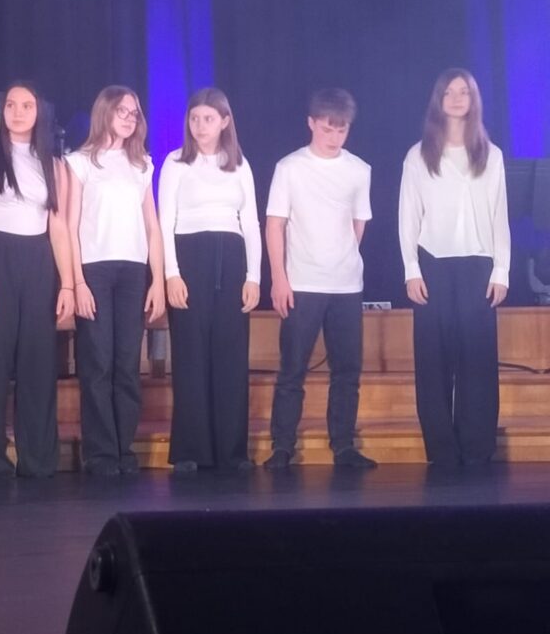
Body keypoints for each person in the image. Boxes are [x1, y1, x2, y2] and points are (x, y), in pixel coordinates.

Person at [398, 68, 510, 466]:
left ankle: (477, 447)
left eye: (464, 91)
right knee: (434, 361)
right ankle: (442, 449)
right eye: (449, 92)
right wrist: (411, 268)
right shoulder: (418, 155)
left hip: (479, 264)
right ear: (439, 100)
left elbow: (499, 216)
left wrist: (502, 270)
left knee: (477, 359)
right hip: (433, 263)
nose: (457, 98)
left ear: (474, 99)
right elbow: (408, 215)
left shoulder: (491, 155)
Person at [0, 84, 73, 478]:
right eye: (11, 105)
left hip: (38, 263)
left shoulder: (55, 166)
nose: (18, 111)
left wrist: (68, 283)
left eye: (27, 105)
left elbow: (59, 228)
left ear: (39, 112)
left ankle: (38, 460)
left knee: (37, 365)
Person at [264, 88, 376, 470]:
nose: (334, 137)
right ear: (311, 123)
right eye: (328, 129)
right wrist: (279, 278)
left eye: (341, 130)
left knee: (347, 371)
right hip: (301, 283)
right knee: (292, 369)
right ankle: (282, 446)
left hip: (346, 285)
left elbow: (359, 223)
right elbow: (275, 224)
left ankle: (343, 445)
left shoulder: (359, 170)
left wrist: (343, 257)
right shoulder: (289, 168)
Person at [158, 87, 261, 472]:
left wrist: (253, 276)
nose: (200, 126)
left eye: (208, 118)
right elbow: (165, 221)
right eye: (195, 118)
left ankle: (231, 451)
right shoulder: (175, 163)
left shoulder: (240, 164)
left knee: (230, 356)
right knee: (191, 355)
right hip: (190, 259)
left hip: (231, 262)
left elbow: (250, 222)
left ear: (224, 121)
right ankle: (191, 450)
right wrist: (171, 273)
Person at [67, 86, 164, 476]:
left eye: (134, 113)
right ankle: (100, 453)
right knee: (98, 362)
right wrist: (77, 282)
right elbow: (70, 226)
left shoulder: (142, 164)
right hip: (95, 269)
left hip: (132, 271)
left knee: (126, 363)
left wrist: (157, 280)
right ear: (104, 112)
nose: (129, 118)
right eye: (122, 111)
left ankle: (123, 448)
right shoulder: (80, 162)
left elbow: (152, 226)